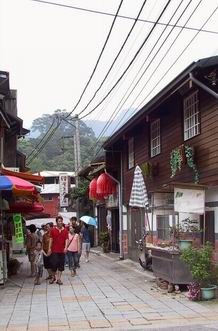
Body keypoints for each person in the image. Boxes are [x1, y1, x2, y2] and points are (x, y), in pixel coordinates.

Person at [47, 215, 68, 285]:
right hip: (54, 250)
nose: (60, 222)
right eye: (59, 221)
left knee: (61, 265)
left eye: (61, 221)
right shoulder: (53, 230)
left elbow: (66, 239)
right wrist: (49, 248)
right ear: (56, 222)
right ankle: (53, 277)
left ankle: (58, 279)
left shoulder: (65, 230)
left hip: (62, 250)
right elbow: (51, 239)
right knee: (54, 264)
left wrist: (66, 247)